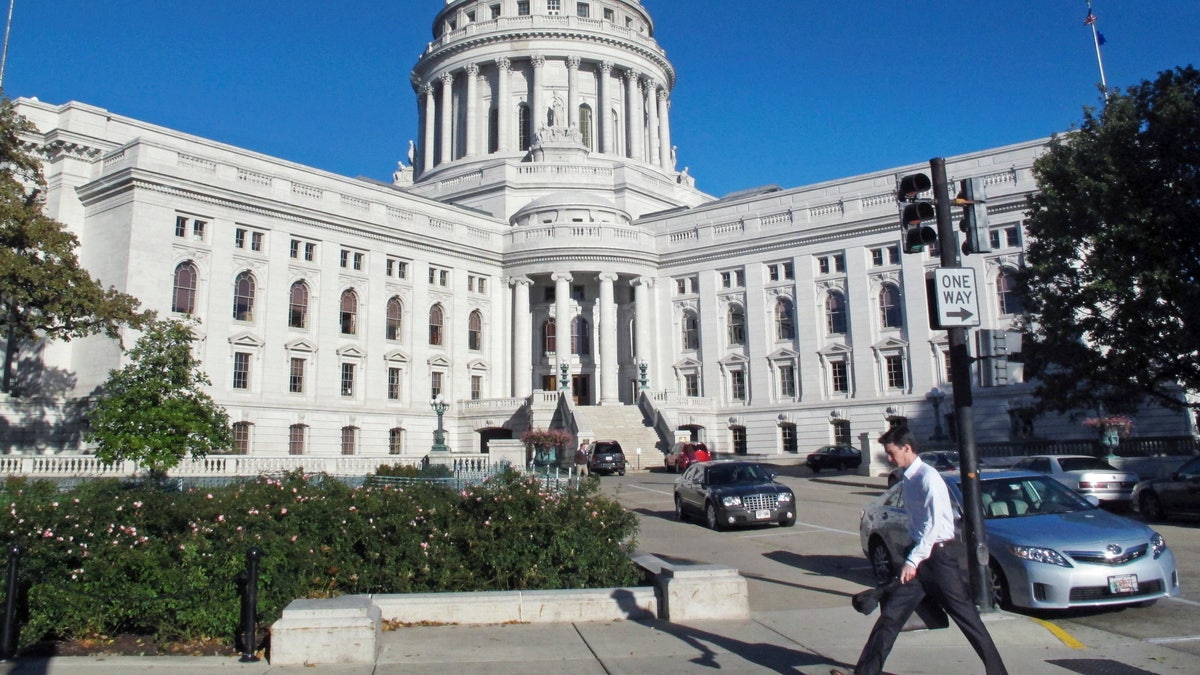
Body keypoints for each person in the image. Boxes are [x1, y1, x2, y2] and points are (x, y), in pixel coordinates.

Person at [832, 426, 1007, 675]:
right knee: (890, 618)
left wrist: (912, 561)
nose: (889, 458)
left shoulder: (929, 478)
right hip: (920, 557)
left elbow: (933, 526)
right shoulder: (908, 478)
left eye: (892, 453)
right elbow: (918, 525)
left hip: (940, 559)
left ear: (907, 448)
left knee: (969, 620)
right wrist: (912, 557)